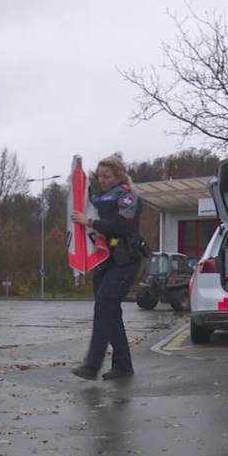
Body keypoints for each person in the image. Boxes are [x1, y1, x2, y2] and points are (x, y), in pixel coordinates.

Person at [70, 155, 142, 381]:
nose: (101, 179)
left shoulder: (128, 195)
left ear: (118, 175)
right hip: (105, 260)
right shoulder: (99, 197)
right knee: (109, 312)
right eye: (99, 175)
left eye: (106, 176)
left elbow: (121, 225)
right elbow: (84, 204)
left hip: (125, 259)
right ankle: (122, 366)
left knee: (105, 306)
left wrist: (89, 222)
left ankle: (91, 366)